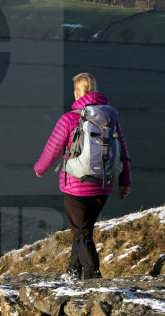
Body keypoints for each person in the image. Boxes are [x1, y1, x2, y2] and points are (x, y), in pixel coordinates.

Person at [34, 72, 130, 280]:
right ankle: (72, 272)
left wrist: (40, 169)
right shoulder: (111, 118)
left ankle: (93, 277)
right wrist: (124, 181)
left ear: (77, 93)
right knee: (83, 229)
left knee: (82, 232)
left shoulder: (69, 118)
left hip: (76, 185)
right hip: (103, 184)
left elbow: (53, 149)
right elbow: (123, 151)